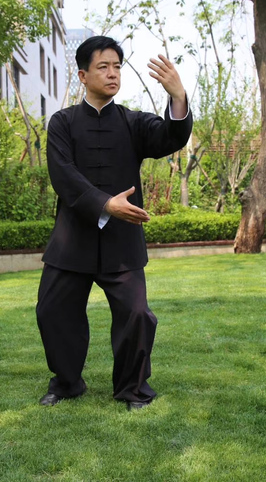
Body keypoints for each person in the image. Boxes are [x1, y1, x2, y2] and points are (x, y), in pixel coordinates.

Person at [36, 36, 193, 411]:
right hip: (72, 240)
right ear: (83, 74)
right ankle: (68, 382)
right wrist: (106, 204)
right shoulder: (62, 123)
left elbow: (172, 136)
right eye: (104, 66)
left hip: (122, 242)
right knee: (52, 311)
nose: (112, 73)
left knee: (137, 314)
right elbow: (64, 175)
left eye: (118, 66)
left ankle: (131, 388)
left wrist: (178, 97)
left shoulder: (133, 122)